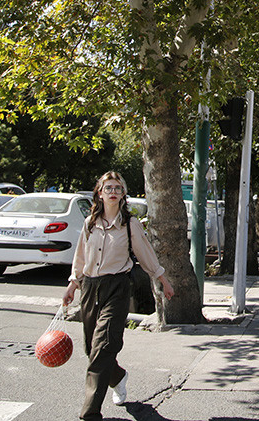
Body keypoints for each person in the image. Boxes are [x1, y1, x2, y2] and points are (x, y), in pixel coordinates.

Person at [62, 171, 175, 420]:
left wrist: (163, 280)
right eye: (108, 188)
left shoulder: (129, 223)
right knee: (91, 348)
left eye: (117, 188)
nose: (113, 191)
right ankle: (118, 376)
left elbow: (146, 255)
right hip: (90, 288)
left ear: (123, 194)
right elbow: (81, 257)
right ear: (99, 193)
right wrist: (73, 285)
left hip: (117, 287)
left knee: (103, 346)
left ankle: (90, 411)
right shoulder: (90, 221)